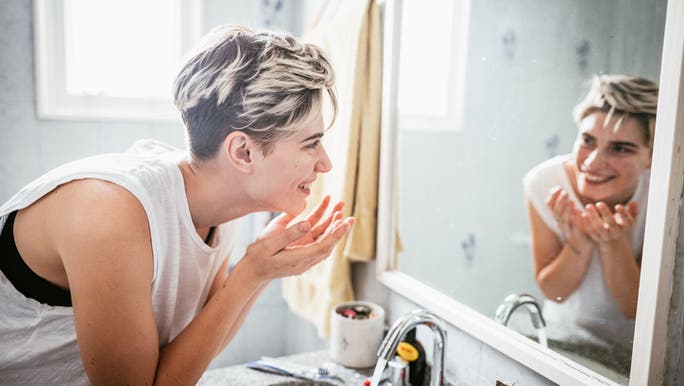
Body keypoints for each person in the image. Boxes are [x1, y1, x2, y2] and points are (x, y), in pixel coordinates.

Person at [0, 25, 354, 385]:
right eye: (311, 143)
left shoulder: (222, 205)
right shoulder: (110, 212)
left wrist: (262, 270)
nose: (325, 163)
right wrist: (250, 272)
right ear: (243, 152)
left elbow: (198, 345)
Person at [523, 74, 658, 352]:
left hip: (634, 355)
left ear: (652, 156)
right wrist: (579, 242)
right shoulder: (545, 184)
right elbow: (554, 293)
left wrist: (613, 242)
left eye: (620, 148)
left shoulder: (663, 196)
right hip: (562, 341)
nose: (594, 162)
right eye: (587, 140)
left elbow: (635, 307)